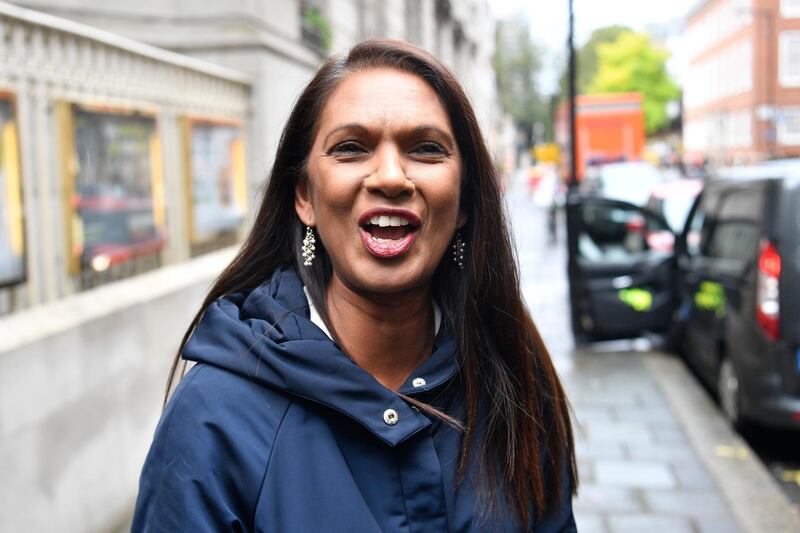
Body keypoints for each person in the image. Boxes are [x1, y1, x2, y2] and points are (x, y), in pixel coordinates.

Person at [132, 39, 577, 532]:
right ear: (305, 195)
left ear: (465, 201)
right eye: (351, 148)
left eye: (426, 149)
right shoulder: (213, 420)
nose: (390, 177)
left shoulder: (513, 382)